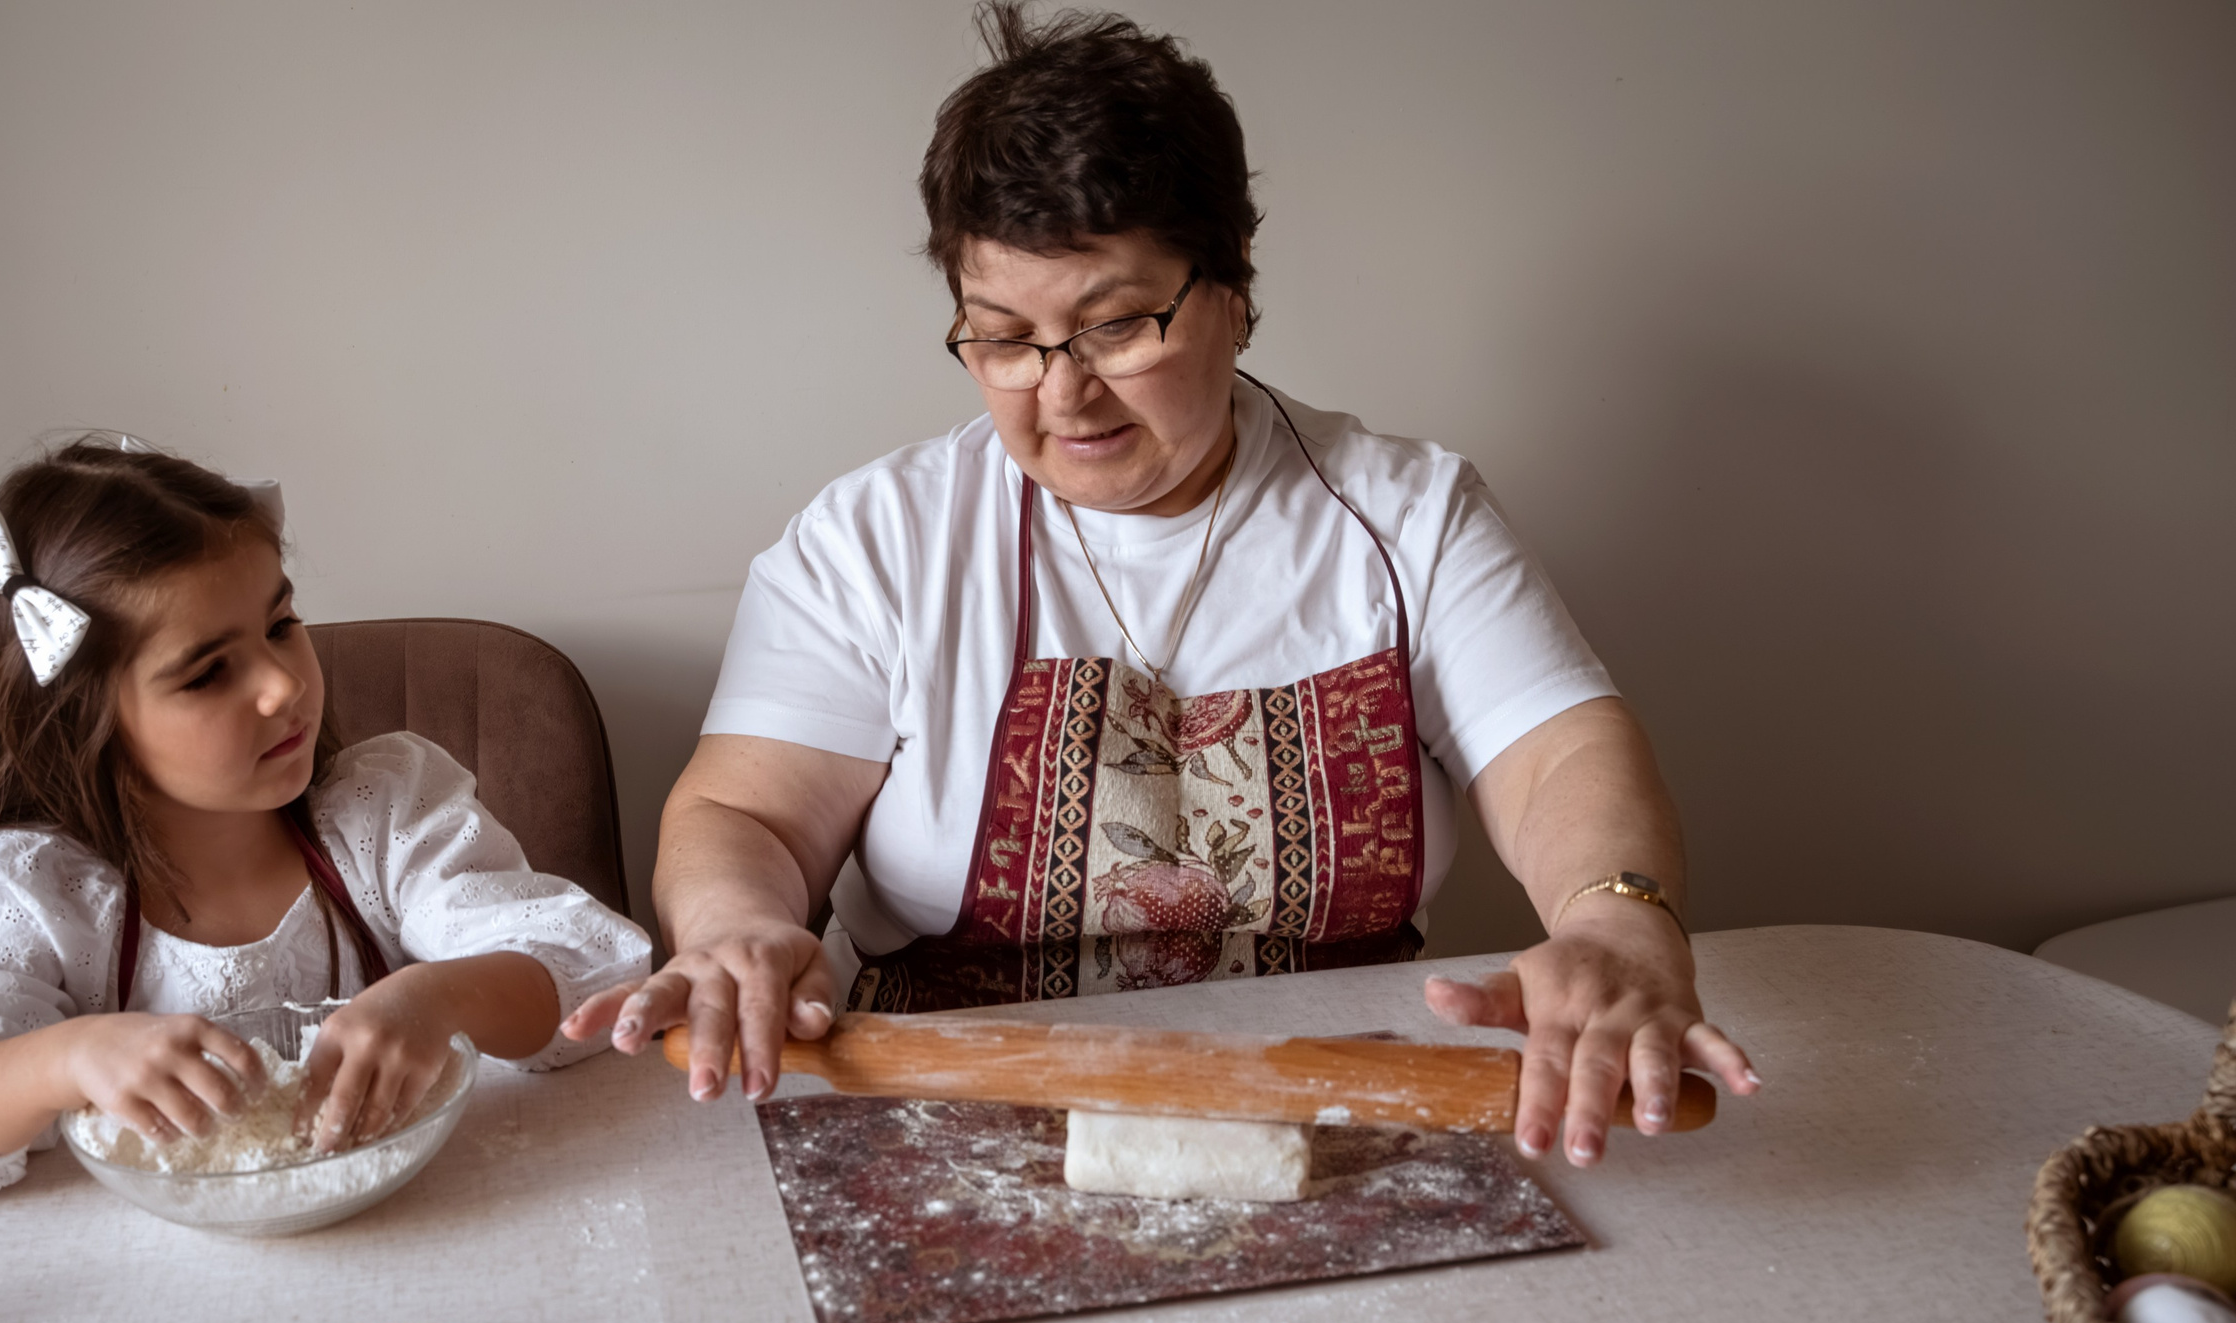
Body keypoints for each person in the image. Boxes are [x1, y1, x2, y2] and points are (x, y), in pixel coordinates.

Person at [566, 4, 1756, 1168]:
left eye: (1117, 325)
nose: (1062, 391)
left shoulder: (1407, 516)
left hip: (1334, 1115)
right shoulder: (876, 540)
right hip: (943, 1112)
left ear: (1232, 290)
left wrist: (1615, 915)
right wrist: (738, 926)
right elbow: (749, 815)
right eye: (1003, 337)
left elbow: (1556, 754)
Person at [0, 438, 650, 1205]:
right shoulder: (24, 894)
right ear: (82, 717)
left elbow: (588, 976)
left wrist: (440, 996)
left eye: (280, 625)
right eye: (208, 673)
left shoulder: (385, 814)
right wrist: (66, 1059)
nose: (284, 684)